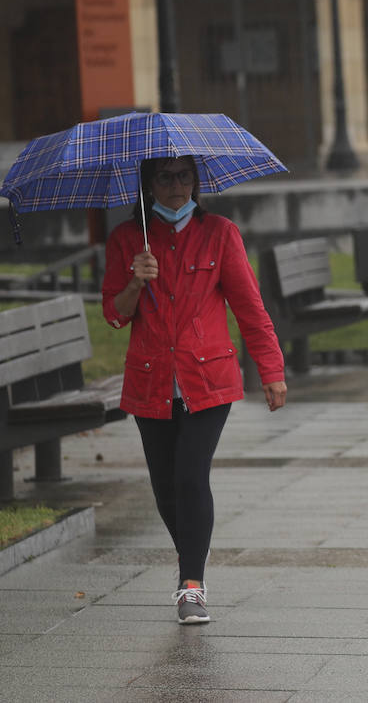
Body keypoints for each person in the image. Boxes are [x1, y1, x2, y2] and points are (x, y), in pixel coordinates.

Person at [101, 156, 288, 625]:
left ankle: (191, 584)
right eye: (165, 177)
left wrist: (271, 368)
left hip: (210, 380)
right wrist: (134, 281)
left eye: (185, 176)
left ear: (197, 181)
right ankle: (193, 561)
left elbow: (249, 307)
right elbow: (114, 314)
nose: (176, 186)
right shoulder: (128, 239)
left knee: (190, 477)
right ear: (148, 184)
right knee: (165, 490)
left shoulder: (220, 233)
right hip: (150, 381)